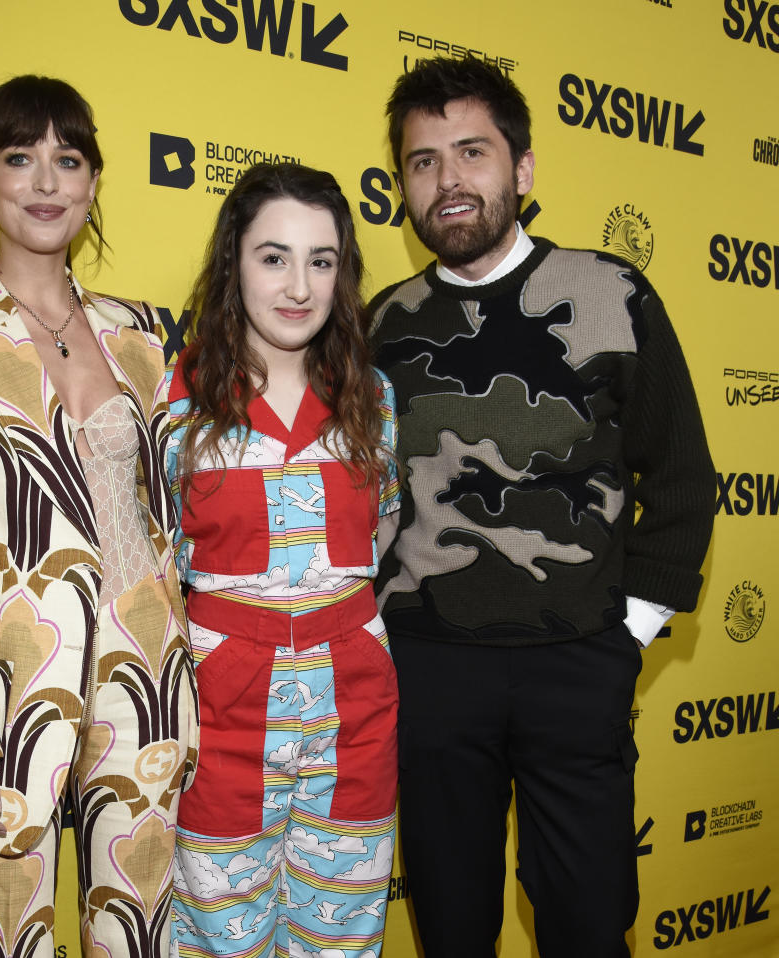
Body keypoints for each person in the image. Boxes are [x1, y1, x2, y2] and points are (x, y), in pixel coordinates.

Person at [369, 57, 715, 957]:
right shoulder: (381, 324)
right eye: (423, 161)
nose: (449, 180)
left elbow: (680, 473)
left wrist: (622, 633)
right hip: (430, 673)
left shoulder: (612, 295)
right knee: (449, 927)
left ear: (521, 170)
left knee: (590, 924)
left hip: (576, 667)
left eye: (472, 152)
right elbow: (351, 494)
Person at [0, 75, 196, 958]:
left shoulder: (138, 335)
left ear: (93, 185)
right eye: (20, 158)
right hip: (13, 683)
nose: (46, 182)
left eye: (69, 160)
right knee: (4, 937)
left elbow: (168, 507)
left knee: (142, 930)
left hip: (151, 664)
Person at [165, 162, 400, 957]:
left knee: (344, 932)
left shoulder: (376, 398)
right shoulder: (175, 401)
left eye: (321, 260)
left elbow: (384, 543)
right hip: (222, 711)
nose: (299, 285)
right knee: (218, 936)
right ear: (234, 263)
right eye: (274, 257)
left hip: (355, 707)